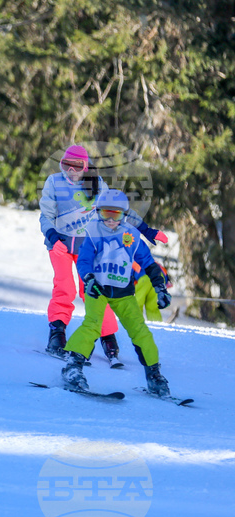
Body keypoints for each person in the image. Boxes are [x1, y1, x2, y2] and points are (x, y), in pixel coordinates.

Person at [39, 144, 167, 365]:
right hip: (59, 244)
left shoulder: (97, 185)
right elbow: (46, 215)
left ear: (85, 167)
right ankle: (56, 335)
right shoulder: (54, 182)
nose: (71, 171)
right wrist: (52, 237)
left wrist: (147, 230)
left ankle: (108, 338)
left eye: (76, 166)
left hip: (87, 248)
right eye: (66, 165)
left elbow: (119, 211)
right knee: (64, 287)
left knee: (94, 290)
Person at [61, 189, 172, 396]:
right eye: (106, 214)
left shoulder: (131, 234)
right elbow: (83, 261)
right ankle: (72, 367)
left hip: (123, 292)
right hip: (98, 289)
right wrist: (88, 279)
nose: (111, 220)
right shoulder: (93, 231)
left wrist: (160, 287)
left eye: (116, 215)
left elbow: (148, 263)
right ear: (98, 212)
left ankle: (154, 375)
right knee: (93, 325)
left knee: (140, 331)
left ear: (125, 215)